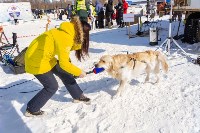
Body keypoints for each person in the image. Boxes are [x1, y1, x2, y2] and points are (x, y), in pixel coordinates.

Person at [24, 16, 91, 116]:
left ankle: (77, 96)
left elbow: (64, 53)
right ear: (82, 33)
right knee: (52, 87)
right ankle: (32, 109)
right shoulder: (66, 36)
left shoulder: (68, 31)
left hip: (45, 57)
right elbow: (64, 63)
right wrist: (79, 72)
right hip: (36, 60)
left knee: (65, 74)